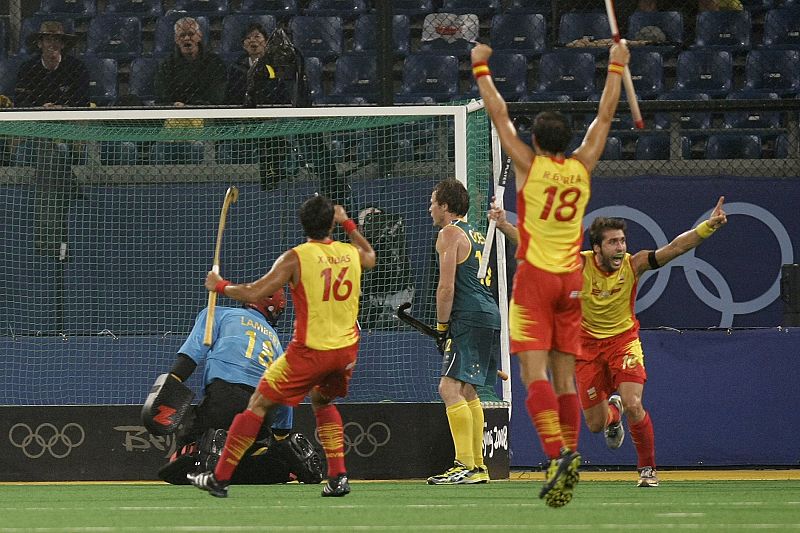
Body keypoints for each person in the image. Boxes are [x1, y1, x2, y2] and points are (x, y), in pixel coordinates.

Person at [472, 39, 629, 508]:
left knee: (532, 376)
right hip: (573, 280)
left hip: (537, 277)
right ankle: (573, 452)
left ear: (537, 140)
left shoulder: (528, 164)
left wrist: (481, 66)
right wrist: (616, 67)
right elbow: (604, 117)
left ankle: (557, 454)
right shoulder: (583, 165)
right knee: (566, 381)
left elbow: (499, 114)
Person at [489, 197, 729, 488]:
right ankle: (614, 415)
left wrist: (708, 227)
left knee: (634, 402)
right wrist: (503, 224)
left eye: (622, 241)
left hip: (623, 343)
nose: (620, 247)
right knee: (595, 424)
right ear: (598, 247)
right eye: (613, 242)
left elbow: (676, 248)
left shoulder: (635, 264)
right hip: (585, 349)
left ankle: (647, 469)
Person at [188, 195, 376, 498]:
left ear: (303, 225)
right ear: (331, 223)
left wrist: (219, 285)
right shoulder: (350, 252)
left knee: (258, 405)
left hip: (311, 351)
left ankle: (219, 479)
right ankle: (338, 476)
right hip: (346, 351)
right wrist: (348, 223)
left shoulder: (296, 257)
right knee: (323, 402)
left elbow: (256, 291)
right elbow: (371, 256)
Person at [153, 289, 323, 486]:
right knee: (251, 454)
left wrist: (174, 379)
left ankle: (213, 447)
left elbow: (193, 352)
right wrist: (282, 437)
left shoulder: (218, 313)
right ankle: (284, 464)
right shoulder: (275, 341)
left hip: (225, 397)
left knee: (178, 464)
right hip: (263, 410)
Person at [426, 179, 501, 485]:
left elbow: (446, 288)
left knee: (448, 388)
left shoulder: (449, 233)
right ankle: (478, 467)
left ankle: (464, 464)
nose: (430, 207)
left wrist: (442, 326)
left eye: (433, 202)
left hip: (467, 315)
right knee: (468, 390)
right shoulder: (479, 234)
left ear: (445, 206)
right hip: (489, 313)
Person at [14, 20, 89, 108]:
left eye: (56, 40)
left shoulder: (77, 67)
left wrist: (63, 107)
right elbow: (20, 101)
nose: (52, 44)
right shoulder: (27, 68)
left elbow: (83, 99)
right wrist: (40, 108)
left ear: (62, 44)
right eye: (48, 40)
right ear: (40, 44)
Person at [154, 16, 227, 106]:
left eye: (191, 34)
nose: (186, 38)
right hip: (175, 112)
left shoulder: (215, 62)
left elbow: (216, 95)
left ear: (199, 36)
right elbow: (162, 94)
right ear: (176, 39)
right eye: (182, 35)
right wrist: (173, 104)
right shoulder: (167, 64)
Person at [225, 23, 269, 105]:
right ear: (244, 46)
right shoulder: (237, 68)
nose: (252, 40)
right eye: (248, 38)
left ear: (266, 42)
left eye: (257, 36)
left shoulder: (274, 65)